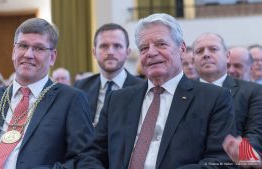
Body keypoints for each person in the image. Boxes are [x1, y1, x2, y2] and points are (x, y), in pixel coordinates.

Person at [74, 13, 236, 169]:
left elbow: (220, 161)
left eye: (161, 44)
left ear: (182, 49)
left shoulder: (214, 98)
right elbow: (90, 155)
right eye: (144, 48)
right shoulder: (117, 100)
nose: (151, 52)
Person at [0, 18, 93, 169]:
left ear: (52, 57)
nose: (28, 54)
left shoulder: (70, 100)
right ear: (13, 51)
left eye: (38, 48)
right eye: (23, 46)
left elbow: (84, 160)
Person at [192, 33, 262, 167]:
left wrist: (243, 153)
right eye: (199, 51)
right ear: (193, 58)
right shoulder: (181, 93)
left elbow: (256, 135)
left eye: (213, 49)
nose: (206, 54)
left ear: (227, 56)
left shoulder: (253, 92)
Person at [74, 23, 143, 126]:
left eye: (117, 46)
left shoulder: (142, 88)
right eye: (104, 46)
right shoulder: (81, 87)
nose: (110, 52)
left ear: (127, 52)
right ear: (94, 52)